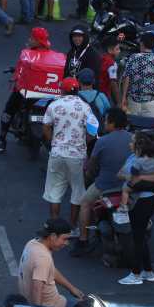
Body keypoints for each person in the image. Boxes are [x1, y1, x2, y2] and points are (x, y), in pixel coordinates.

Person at [71, 107, 130, 256]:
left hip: (105, 186)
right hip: (128, 186)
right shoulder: (134, 138)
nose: (104, 123)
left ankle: (83, 239)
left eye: (106, 120)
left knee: (84, 203)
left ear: (112, 123)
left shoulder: (102, 141)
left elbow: (91, 166)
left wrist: (89, 175)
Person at [116, 132, 154, 286]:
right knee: (141, 236)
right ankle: (147, 271)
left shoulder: (141, 160)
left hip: (141, 202)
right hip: (144, 200)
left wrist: (140, 179)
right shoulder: (134, 158)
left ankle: (136, 274)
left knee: (137, 238)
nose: (129, 144)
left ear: (139, 145)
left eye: (132, 142)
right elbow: (120, 174)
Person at [42, 76, 93, 230]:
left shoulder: (54, 105)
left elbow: (45, 127)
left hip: (57, 153)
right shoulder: (85, 107)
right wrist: (84, 143)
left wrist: (54, 143)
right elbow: (92, 131)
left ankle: (54, 226)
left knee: (54, 191)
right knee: (77, 193)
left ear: (62, 90)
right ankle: (72, 226)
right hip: (77, 156)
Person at [0, 27, 52, 153]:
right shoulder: (52, 56)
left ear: (38, 41)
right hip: (46, 94)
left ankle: (2, 139)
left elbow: (19, 71)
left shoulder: (27, 54)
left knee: (8, 110)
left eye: (32, 38)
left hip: (26, 91)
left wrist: (14, 77)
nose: (29, 40)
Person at [18, 218, 85, 307]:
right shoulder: (43, 258)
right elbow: (37, 289)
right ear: (53, 236)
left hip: (29, 302)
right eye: (64, 239)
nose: (66, 243)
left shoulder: (33, 243)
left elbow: (50, 269)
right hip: (53, 306)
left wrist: (71, 288)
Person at [121, 32, 154, 118]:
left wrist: (124, 97)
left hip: (133, 100)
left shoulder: (133, 58)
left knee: (132, 127)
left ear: (141, 43)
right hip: (150, 101)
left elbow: (126, 78)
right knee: (148, 129)